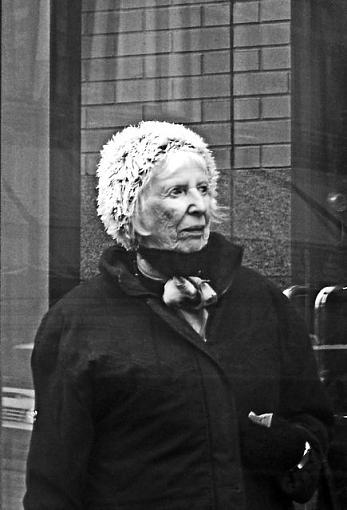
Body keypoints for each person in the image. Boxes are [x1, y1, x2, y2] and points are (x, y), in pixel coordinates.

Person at [24, 121, 334, 510]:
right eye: (177, 191)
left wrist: (290, 447)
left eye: (204, 189)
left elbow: (315, 422)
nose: (199, 206)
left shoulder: (261, 300)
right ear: (131, 211)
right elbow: (53, 483)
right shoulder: (79, 322)